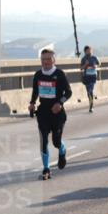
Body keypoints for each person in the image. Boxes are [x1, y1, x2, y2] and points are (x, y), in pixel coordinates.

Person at [29, 49, 73, 180]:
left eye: (48, 59)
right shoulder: (38, 75)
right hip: (43, 112)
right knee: (43, 140)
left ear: (54, 60)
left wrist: (60, 103)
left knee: (56, 141)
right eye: (43, 59)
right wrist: (32, 103)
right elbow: (35, 91)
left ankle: (62, 150)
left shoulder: (59, 74)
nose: (45, 62)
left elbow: (69, 93)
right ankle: (46, 169)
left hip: (57, 113)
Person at [80, 45, 100, 113]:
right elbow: (81, 68)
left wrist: (95, 66)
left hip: (93, 76)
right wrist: (85, 65)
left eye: (90, 50)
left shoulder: (94, 57)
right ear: (85, 51)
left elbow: (99, 64)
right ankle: (91, 103)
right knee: (88, 92)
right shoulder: (83, 59)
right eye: (88, 50)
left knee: (91, 89)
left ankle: (91, 106)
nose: (89, 52)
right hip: (86, 76)